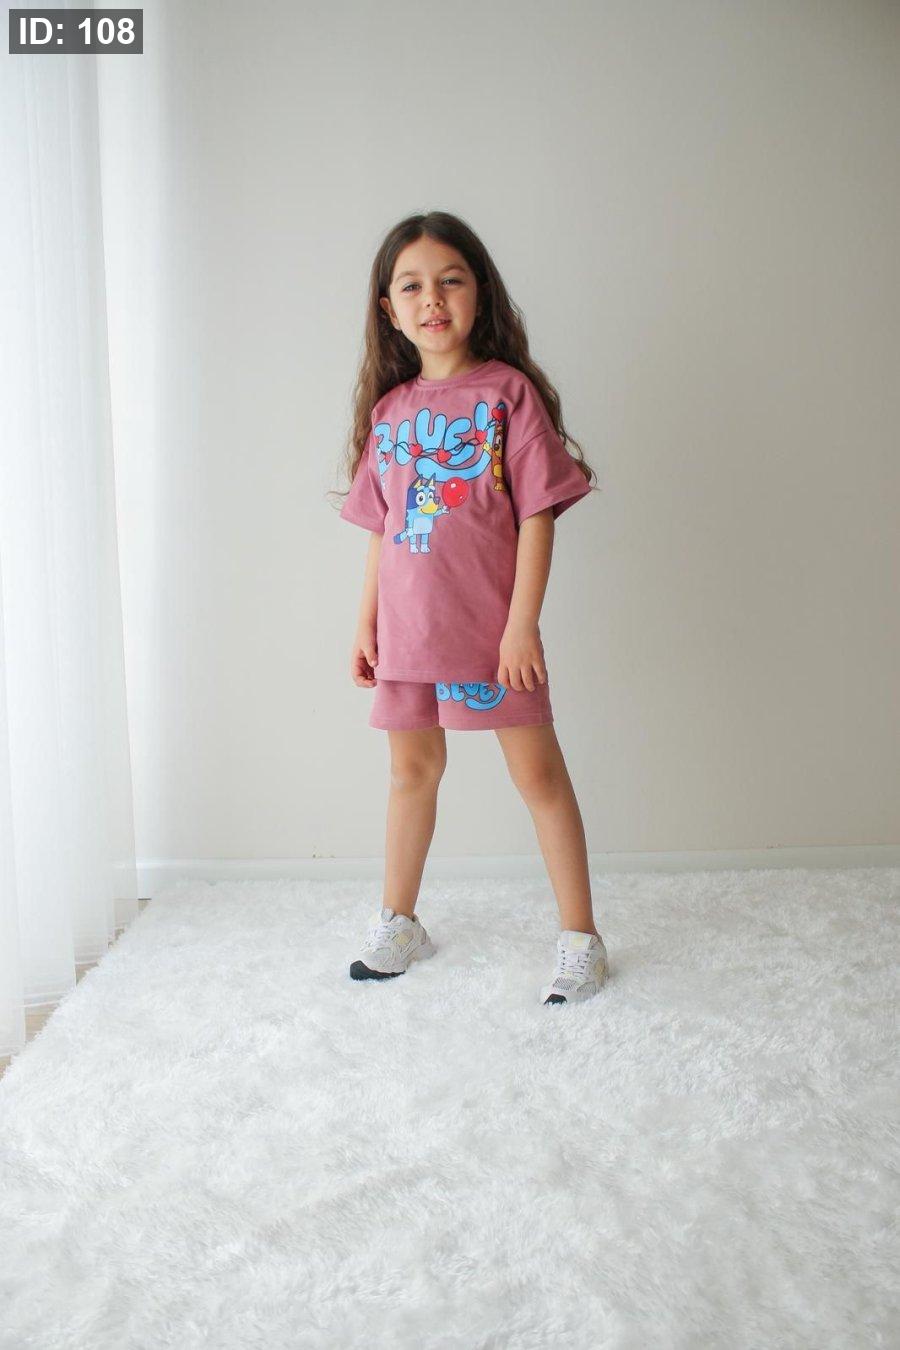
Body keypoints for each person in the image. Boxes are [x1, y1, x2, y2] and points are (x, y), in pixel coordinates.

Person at [331, 210, 609, 1006]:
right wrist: (365, 622)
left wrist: (521, 626)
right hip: (407, 635)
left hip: (491, 638)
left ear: (479, 292)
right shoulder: (389, 413)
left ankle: (582, 939)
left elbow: (537, 515)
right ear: (389, 309)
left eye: (450, 280)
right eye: (412, 286)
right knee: (411, 773)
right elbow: (384, 530)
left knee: (539, 777)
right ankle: (399, 921)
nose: (432, 299)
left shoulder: (506, 395)